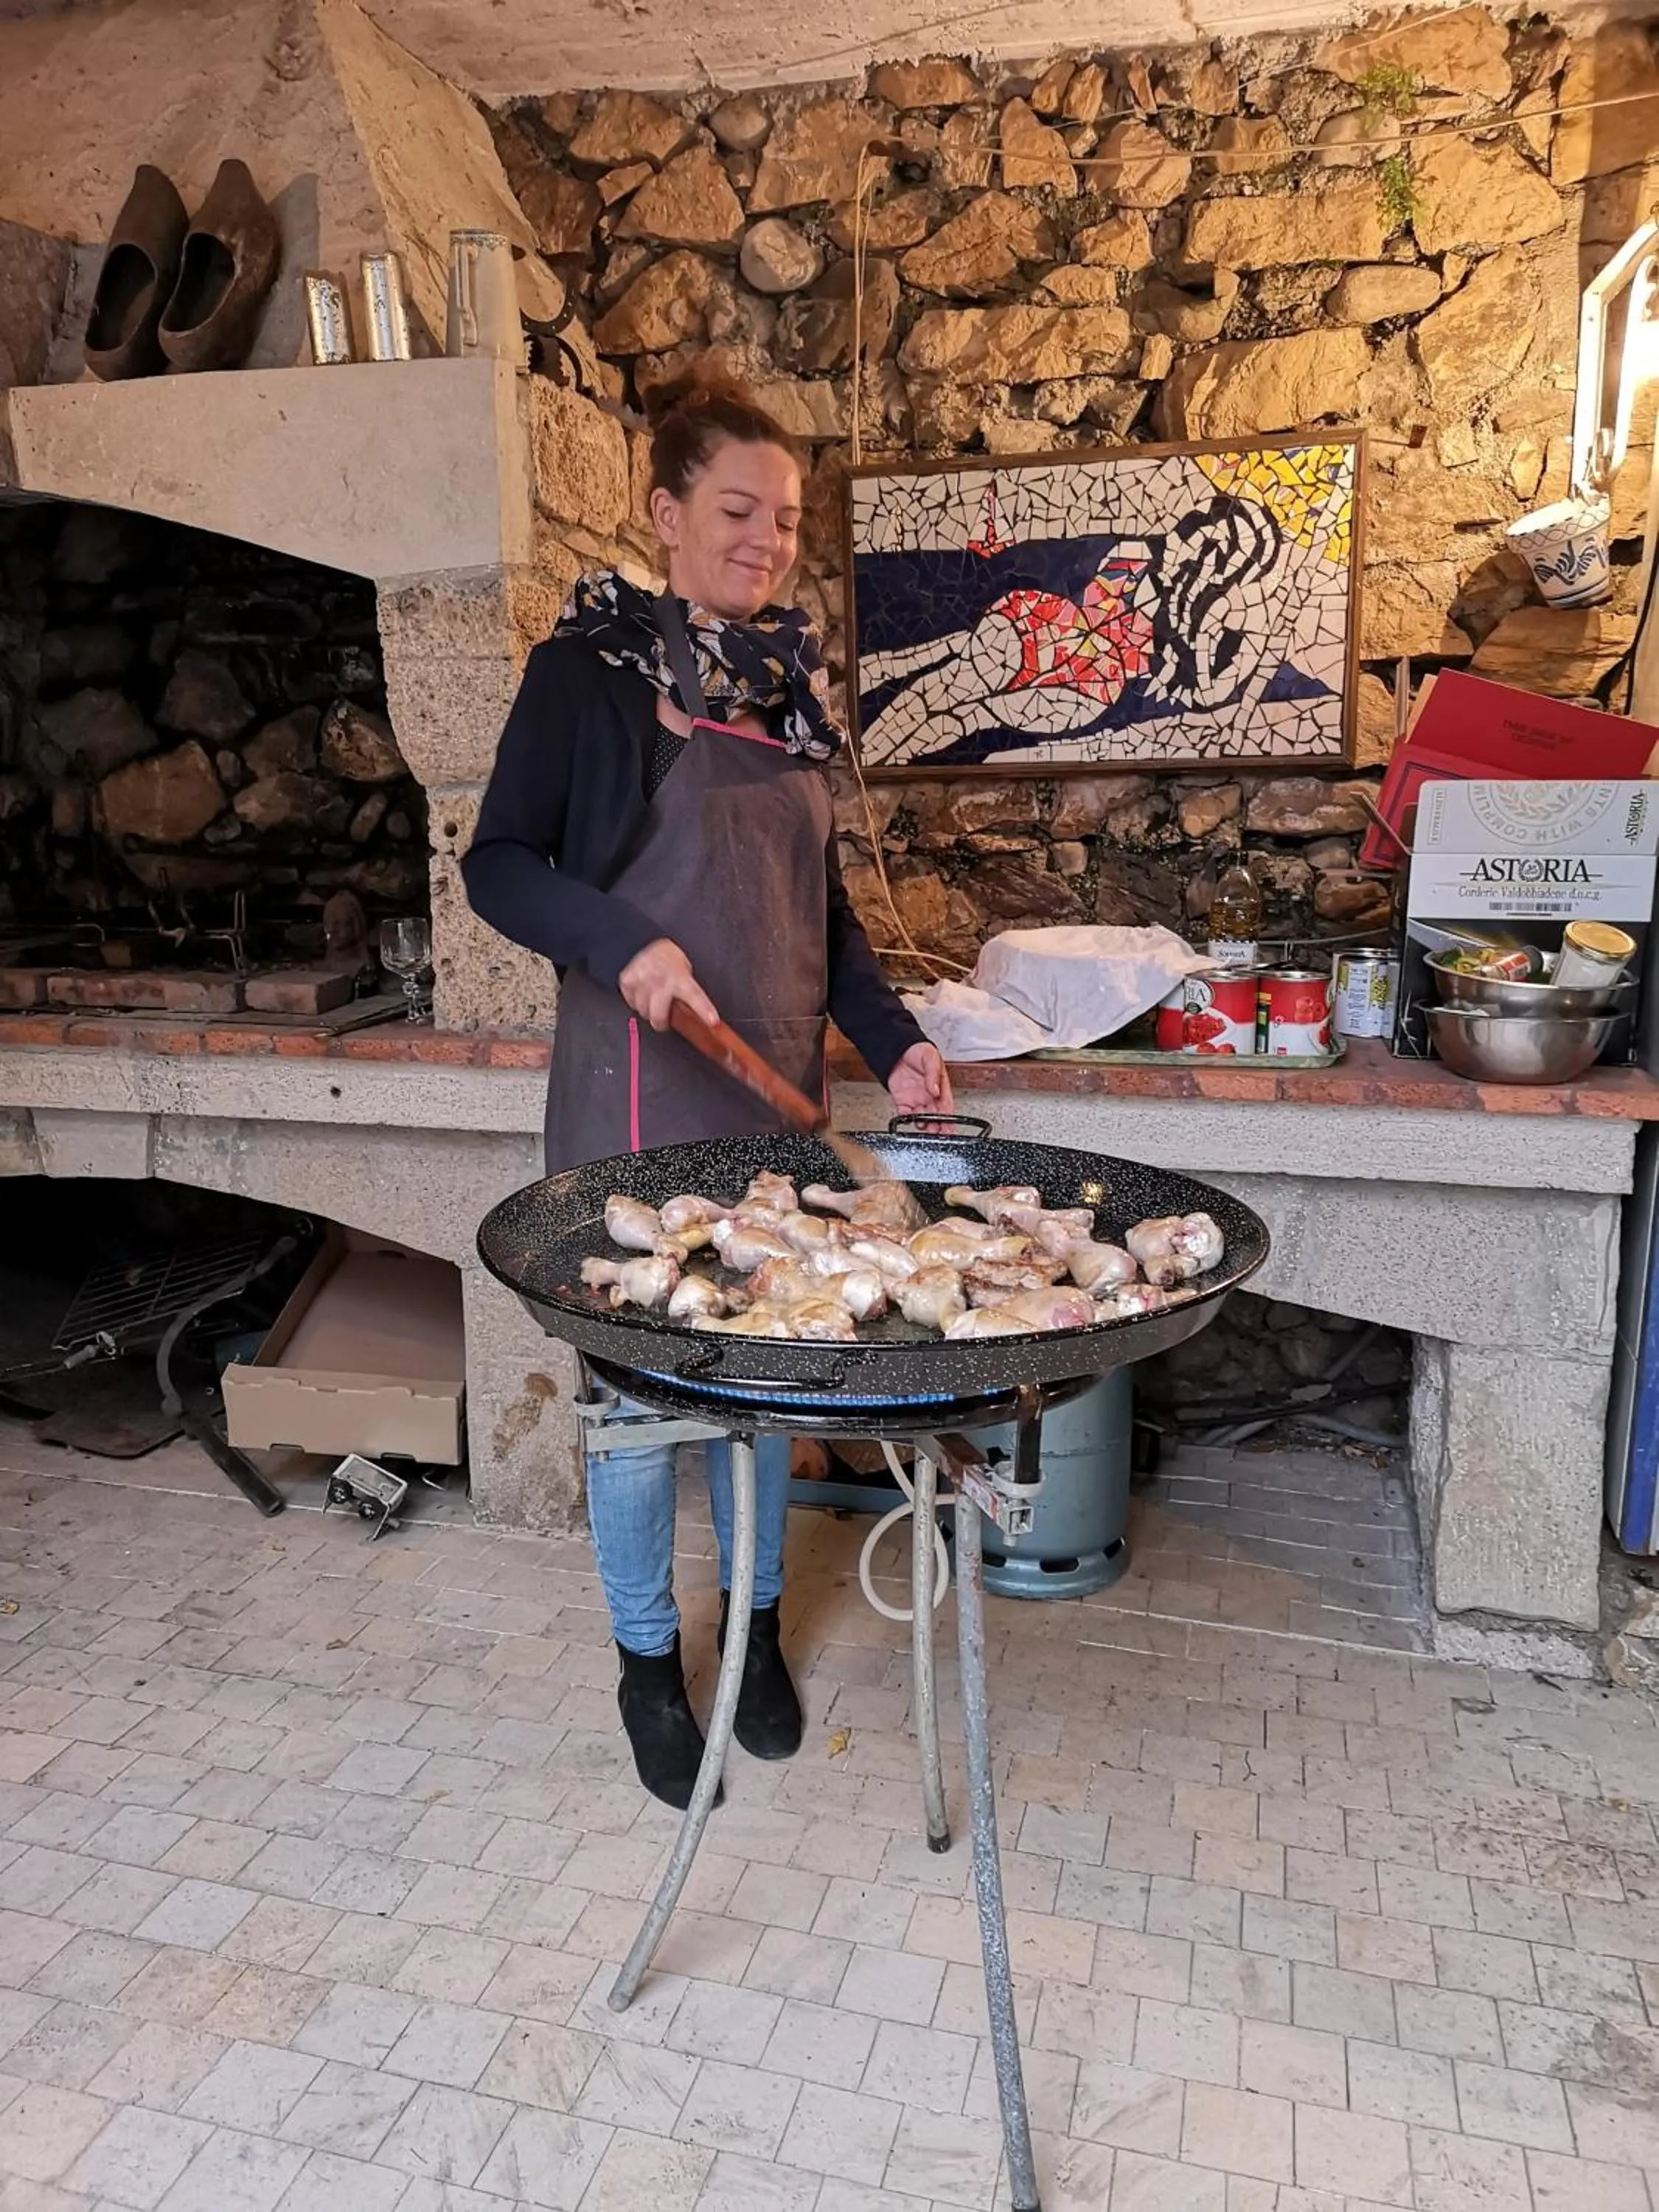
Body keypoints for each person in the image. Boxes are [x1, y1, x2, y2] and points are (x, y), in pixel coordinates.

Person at [462, 373, 953, 1809]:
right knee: (630, 1404)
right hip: (632, 1127)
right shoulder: (588, 678)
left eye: (786, 518)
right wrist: (621, 942)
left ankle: (751, 1639)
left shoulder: (795, 697)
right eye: (738, 510)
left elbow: (831, 925)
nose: (766, 539)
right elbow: (499, 863)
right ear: (667, 513)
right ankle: (640, 1660)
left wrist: (899, 1036)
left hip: (773, 1118)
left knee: (759, 1384)